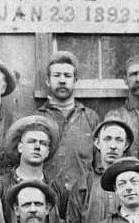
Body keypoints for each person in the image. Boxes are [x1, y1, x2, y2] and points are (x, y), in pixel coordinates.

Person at [65, 118, 139, 223]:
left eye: (118, 140)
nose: (113, 146)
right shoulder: (85, 184)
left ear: (126, 145)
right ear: (97, 143)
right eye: (107, 139)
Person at [34, 50, 101, 206]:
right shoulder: (37, 119)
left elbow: (100, 165)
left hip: (83, 201)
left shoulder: (91, 118)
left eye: (67, 76)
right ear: (48, 81)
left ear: (75, 80)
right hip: (47, 201)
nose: (62, 80)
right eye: (57, 76)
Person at [0, 114, 62, 223]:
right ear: (20, 147)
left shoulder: (56, 188)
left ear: (48, 152)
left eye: (43, 143)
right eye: (31, 142)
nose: (37, 147)